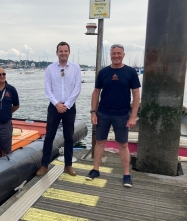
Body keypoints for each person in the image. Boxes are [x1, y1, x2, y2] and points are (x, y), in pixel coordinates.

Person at [86, 44, 141, 187]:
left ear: (123, 55)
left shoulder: (130, 72)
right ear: (110, 55)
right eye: (113, 53)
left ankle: (126, 174)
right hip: (103, 113)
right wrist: (93, 112)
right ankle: (95, 169)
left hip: (122, 114)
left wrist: (133, 116)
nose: (116, 56)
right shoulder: (103, 72)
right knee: (99, 142)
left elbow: (136, 95)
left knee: (123, 144)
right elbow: (96, 92)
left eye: (119, 53)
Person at [36, 41, 82, 176]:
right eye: (60, 51)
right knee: (49, 136)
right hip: (54, 106)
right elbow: (48, 89)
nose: (63, 53)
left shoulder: (76, 68)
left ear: (69, 52)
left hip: (69, 106)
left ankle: (68, 165)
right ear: (57, 53)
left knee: (69, 137)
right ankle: (44, 165)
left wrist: (66, 105)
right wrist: (57, 104)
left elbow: (77, 88)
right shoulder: (50, 69)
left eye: (65, 51)